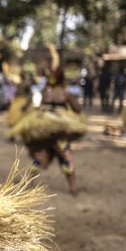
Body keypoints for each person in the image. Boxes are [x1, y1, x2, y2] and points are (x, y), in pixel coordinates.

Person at [22, 67, 83, 195]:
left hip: (44, 132)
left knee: (40, 158)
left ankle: (28, 185)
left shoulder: (45, 92)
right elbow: (77, 108)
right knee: (65, 157)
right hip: (59, 133)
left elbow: (38, 107)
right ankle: (73, 186)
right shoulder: (66, 93)